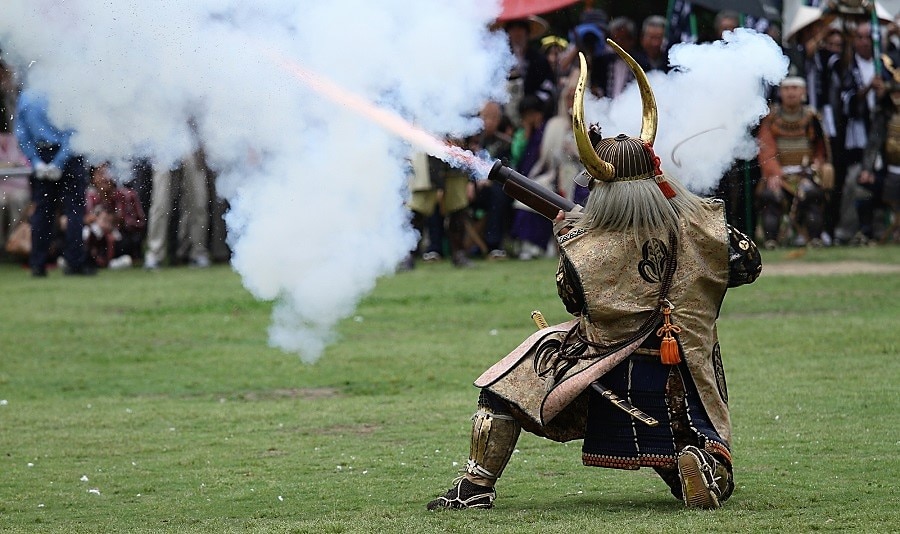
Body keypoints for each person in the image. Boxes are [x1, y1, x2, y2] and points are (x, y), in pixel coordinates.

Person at [426, 44, 761, 511]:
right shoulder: (699, 224)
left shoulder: (587, 242)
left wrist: (572, 238)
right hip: (682, 368)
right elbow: (749, 264)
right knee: (694, 443)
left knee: (502, 391)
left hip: (599, 361)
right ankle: (699, 465)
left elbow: (572, 300)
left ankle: (476, 486)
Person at [15, 88, 92, 276]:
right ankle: (74, 262)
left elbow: (21, 132)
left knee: (43, 211)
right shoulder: (64, 89)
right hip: (68, 156)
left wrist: (36, 162)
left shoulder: (27, 95)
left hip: (42, 154)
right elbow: (73, 130)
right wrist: (59, 162)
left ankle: (37, 263)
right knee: (73, 210)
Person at [756, 77, 832, 248]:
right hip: (779, 175)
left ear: (803, 92)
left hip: (807, 174)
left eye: (795, 88)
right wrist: (774, 173)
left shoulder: (812, 117)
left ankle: (814, 239)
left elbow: (821, 149)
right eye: (787, 88)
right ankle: (771, 240)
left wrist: (815, 167)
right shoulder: (771, 118)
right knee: (771, 196)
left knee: (812, 194)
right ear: (781, 92)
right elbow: (766, 149)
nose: (791, 92)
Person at [143, 133, 212, 269]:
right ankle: (155, 254)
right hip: (163, 138)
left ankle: (198, 252)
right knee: (160, 203)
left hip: (192, 140)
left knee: (198, 202)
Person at [84, 162, 146, 267]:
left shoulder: (128, 195)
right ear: (93, 178)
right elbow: (75, 221)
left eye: (107, 173)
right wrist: (92, 220)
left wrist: (118, 221)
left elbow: (141, 224)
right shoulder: (88, 196)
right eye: (100, 174)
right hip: (95, 240)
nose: (104, 178)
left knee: (129, 241)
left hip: (120, 239)